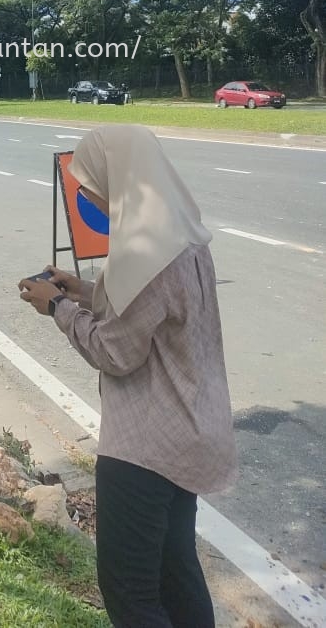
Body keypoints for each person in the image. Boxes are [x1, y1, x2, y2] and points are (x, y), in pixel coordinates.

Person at [19, 125, 236, 628]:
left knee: (130, 591)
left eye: (91, 182)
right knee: (176, 569)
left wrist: (56, 308)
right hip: (190, 433)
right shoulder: (182, 233)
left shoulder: (141, 252)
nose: (89, 194)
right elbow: (151, 311)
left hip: (144, 449)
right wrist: (80, 290)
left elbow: (114, 350)